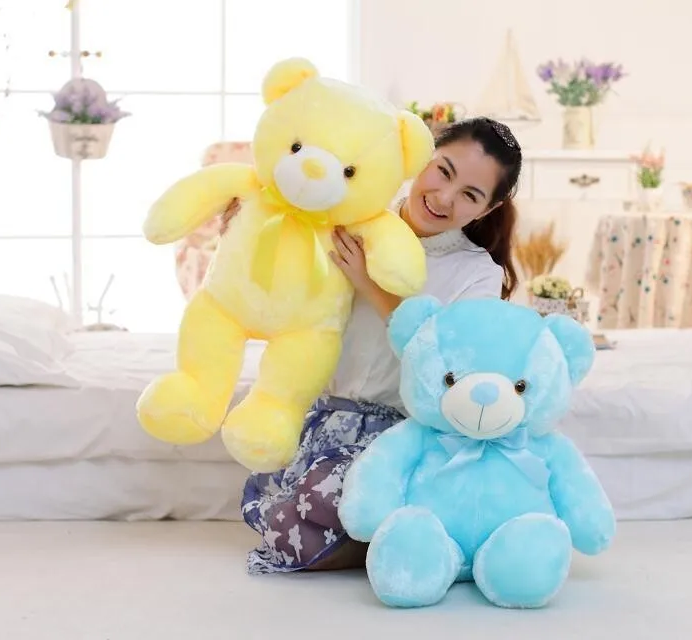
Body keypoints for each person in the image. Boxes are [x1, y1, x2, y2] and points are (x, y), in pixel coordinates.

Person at [223, 116, 523, 574]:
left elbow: (448, 368)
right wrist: (251, 228)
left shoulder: (476, 272)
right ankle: (387, 536)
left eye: (470, 195)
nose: (444, 197)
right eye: (443, 171)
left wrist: (371, 285)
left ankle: (409, 532)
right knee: (288, 521)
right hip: (322, 420)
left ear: (488, 208)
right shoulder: (353, 216)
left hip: (400, 436)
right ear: (422, 158)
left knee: (318, 519)